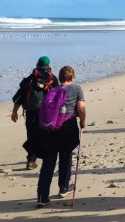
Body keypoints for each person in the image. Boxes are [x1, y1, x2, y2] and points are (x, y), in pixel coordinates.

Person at [28, 66, 85, 208]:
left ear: (59, 78)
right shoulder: (77, 89)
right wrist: (83, 122)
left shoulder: (52, 90)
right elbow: (81, 108)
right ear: (72, 77)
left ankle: (42, 196)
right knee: (66, 156)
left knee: (48, 162)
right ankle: (63, 187)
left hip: (50, 129)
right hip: (67, 127)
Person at [11, 56, 59, 170]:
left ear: (37, 65)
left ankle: (31, 161)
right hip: (47, 112)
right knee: (47, 134)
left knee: (31, 135)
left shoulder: (30, 79)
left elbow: (20, 96)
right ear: (48, 66)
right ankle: (48, 158)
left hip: (31, 112)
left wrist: (14, 112)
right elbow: (59, 96)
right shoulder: (53, 79)